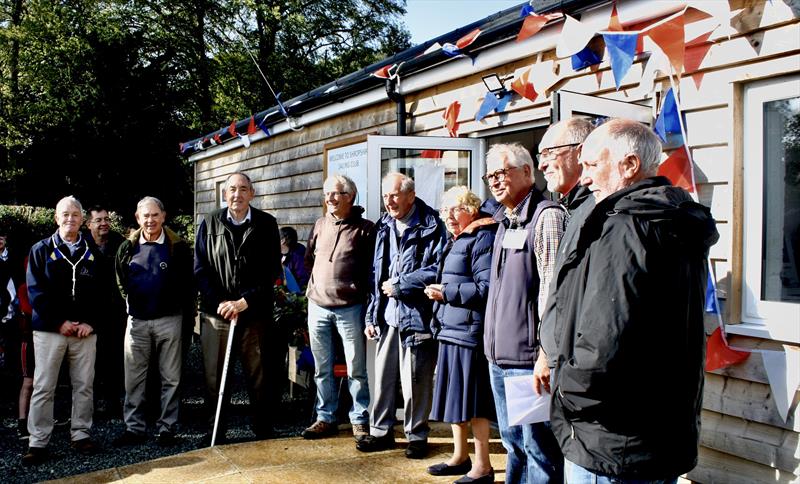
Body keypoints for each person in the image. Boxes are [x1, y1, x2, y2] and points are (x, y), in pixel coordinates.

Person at [542, 119, 718, 483]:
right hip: (657, 435)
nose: (585, 178)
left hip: (610, 439)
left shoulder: (625, 227)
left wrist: (565, 393)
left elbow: (604, 341)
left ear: (629, 166)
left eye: (591, 165)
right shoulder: (673, 220)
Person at [482, 143, 566, 483]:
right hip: (499, 359)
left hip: (528, 362)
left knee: (539, 451)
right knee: (513, 446)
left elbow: (553, 292)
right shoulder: (505, 221)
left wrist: (544, 355)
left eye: (502, 173)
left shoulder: (546, 217)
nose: (495, 181)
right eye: (490, 175)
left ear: (528, 173)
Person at [356, 172, 447, 458]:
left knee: (416, 379)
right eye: (385, 196)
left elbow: (440, 268)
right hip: (387, 315)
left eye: (394, 195)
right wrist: (371, 316)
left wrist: (402, 284)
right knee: (382, 377)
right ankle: (381, 432)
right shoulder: (383, 225)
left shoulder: (433, 224)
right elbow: (375, 275)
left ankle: (417, 435)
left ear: (410, 194)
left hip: (418, 315)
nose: (389, 201)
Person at [195, 172, 284, 442]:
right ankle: (216, 431)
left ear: (252, 194)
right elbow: (200, 269)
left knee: (258, 375)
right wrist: (222, 302)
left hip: (253, 313)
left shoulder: (266, 224)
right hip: (217, 315)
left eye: (243, 189)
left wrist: (245, 301)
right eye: (232, 189)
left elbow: (272, 271)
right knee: (214, 375)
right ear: (225, 194)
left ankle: (262, 429)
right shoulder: (209, 223)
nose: (237, 194)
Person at [23, 196, 107, 465]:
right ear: (56, 218)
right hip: (50, 331)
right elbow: (36, 292)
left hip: (84, 332)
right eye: (65, 214)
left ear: (83, 219)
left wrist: (89, 322)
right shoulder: (40, 250)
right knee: (44, 386)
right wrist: (59, 322)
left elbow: (103, 293)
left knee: (84, 385)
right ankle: (38, 442)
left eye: (75, 214)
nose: (70, 218)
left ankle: (81, 434)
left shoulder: (93, 252)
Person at [424, 186, 496, 483]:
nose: (450, 216)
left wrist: (447, 293)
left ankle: (483, 466)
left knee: (473, 401)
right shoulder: (457, 238)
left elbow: (486, 287)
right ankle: (460, 456)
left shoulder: (483, 236)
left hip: (469, 331)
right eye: (445, 211)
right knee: (456, 398)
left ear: (473, 208)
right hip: (450, 328)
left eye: (456, 209)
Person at [113, 197, 194, 447]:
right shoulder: (127, 247)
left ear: (163, 216)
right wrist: (131, 303)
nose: (150, 220)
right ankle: (134, 427)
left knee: (171, 377)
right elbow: (120, 280)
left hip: (169, 320)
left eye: (155, 215)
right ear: (138, 218)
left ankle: (167, 427)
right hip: (137, 322)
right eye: (145, 216)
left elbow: (189, 285)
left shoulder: (177, 247)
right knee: (133, 378)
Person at [301, 175, 374, 442]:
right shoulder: (320, 224)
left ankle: (359, 419)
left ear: (350, 197)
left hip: (350, 308)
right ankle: (325, 417)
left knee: (356, 369)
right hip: (317, 306)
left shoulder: (366, 228)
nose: (330, 199)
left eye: (336, 193)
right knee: (322, 367)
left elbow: (371, 271)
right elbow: (308, 260)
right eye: (327, 194)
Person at [532, 117, 595, 397]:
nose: (541, 165)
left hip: (579, 366)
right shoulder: (574, 208)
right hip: (563, 356)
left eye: (549, 153)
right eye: (540, 155)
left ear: (580, 152)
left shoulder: (598, 211)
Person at [86, 205, 126, 419]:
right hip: (89, 314)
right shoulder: (82, 244)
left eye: (106, 219)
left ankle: (113, 403)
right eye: (99, 220)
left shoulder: (119, 243)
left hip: (115, 312)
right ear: (89, 224)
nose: (104, 224)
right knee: (90, 363)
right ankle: (89, 406)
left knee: (114, 360)